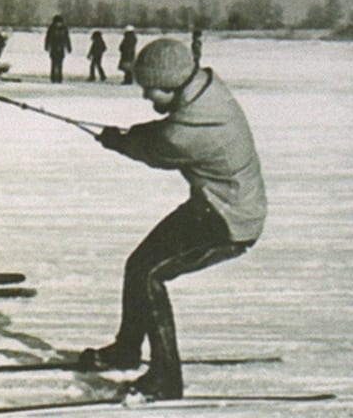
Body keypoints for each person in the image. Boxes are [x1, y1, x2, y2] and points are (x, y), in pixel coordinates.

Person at [79, 38, 266, 401]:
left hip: (230, 220)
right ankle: (127, 349)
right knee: (139, 265)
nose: (146, 97)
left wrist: (120, 140)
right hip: (213, 204)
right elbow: (163, 128)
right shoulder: (203, 94)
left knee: (150, 274)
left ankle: (166, 378)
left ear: (170, 84)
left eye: (149, 90)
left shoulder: (189, 132)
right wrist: (128, 134)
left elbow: (157, 147)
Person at [44, 14, 72, 83]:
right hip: (53, 48)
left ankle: (59, 77)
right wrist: (47, 46)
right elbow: (48, 38)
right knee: (53, 63)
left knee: (60, 63)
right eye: (57, 22)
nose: (58, 24)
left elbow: (67, 38)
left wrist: (68, 47)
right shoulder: (51, 28)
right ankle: (53, 77)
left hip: (61, 48)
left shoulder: (64, 29)